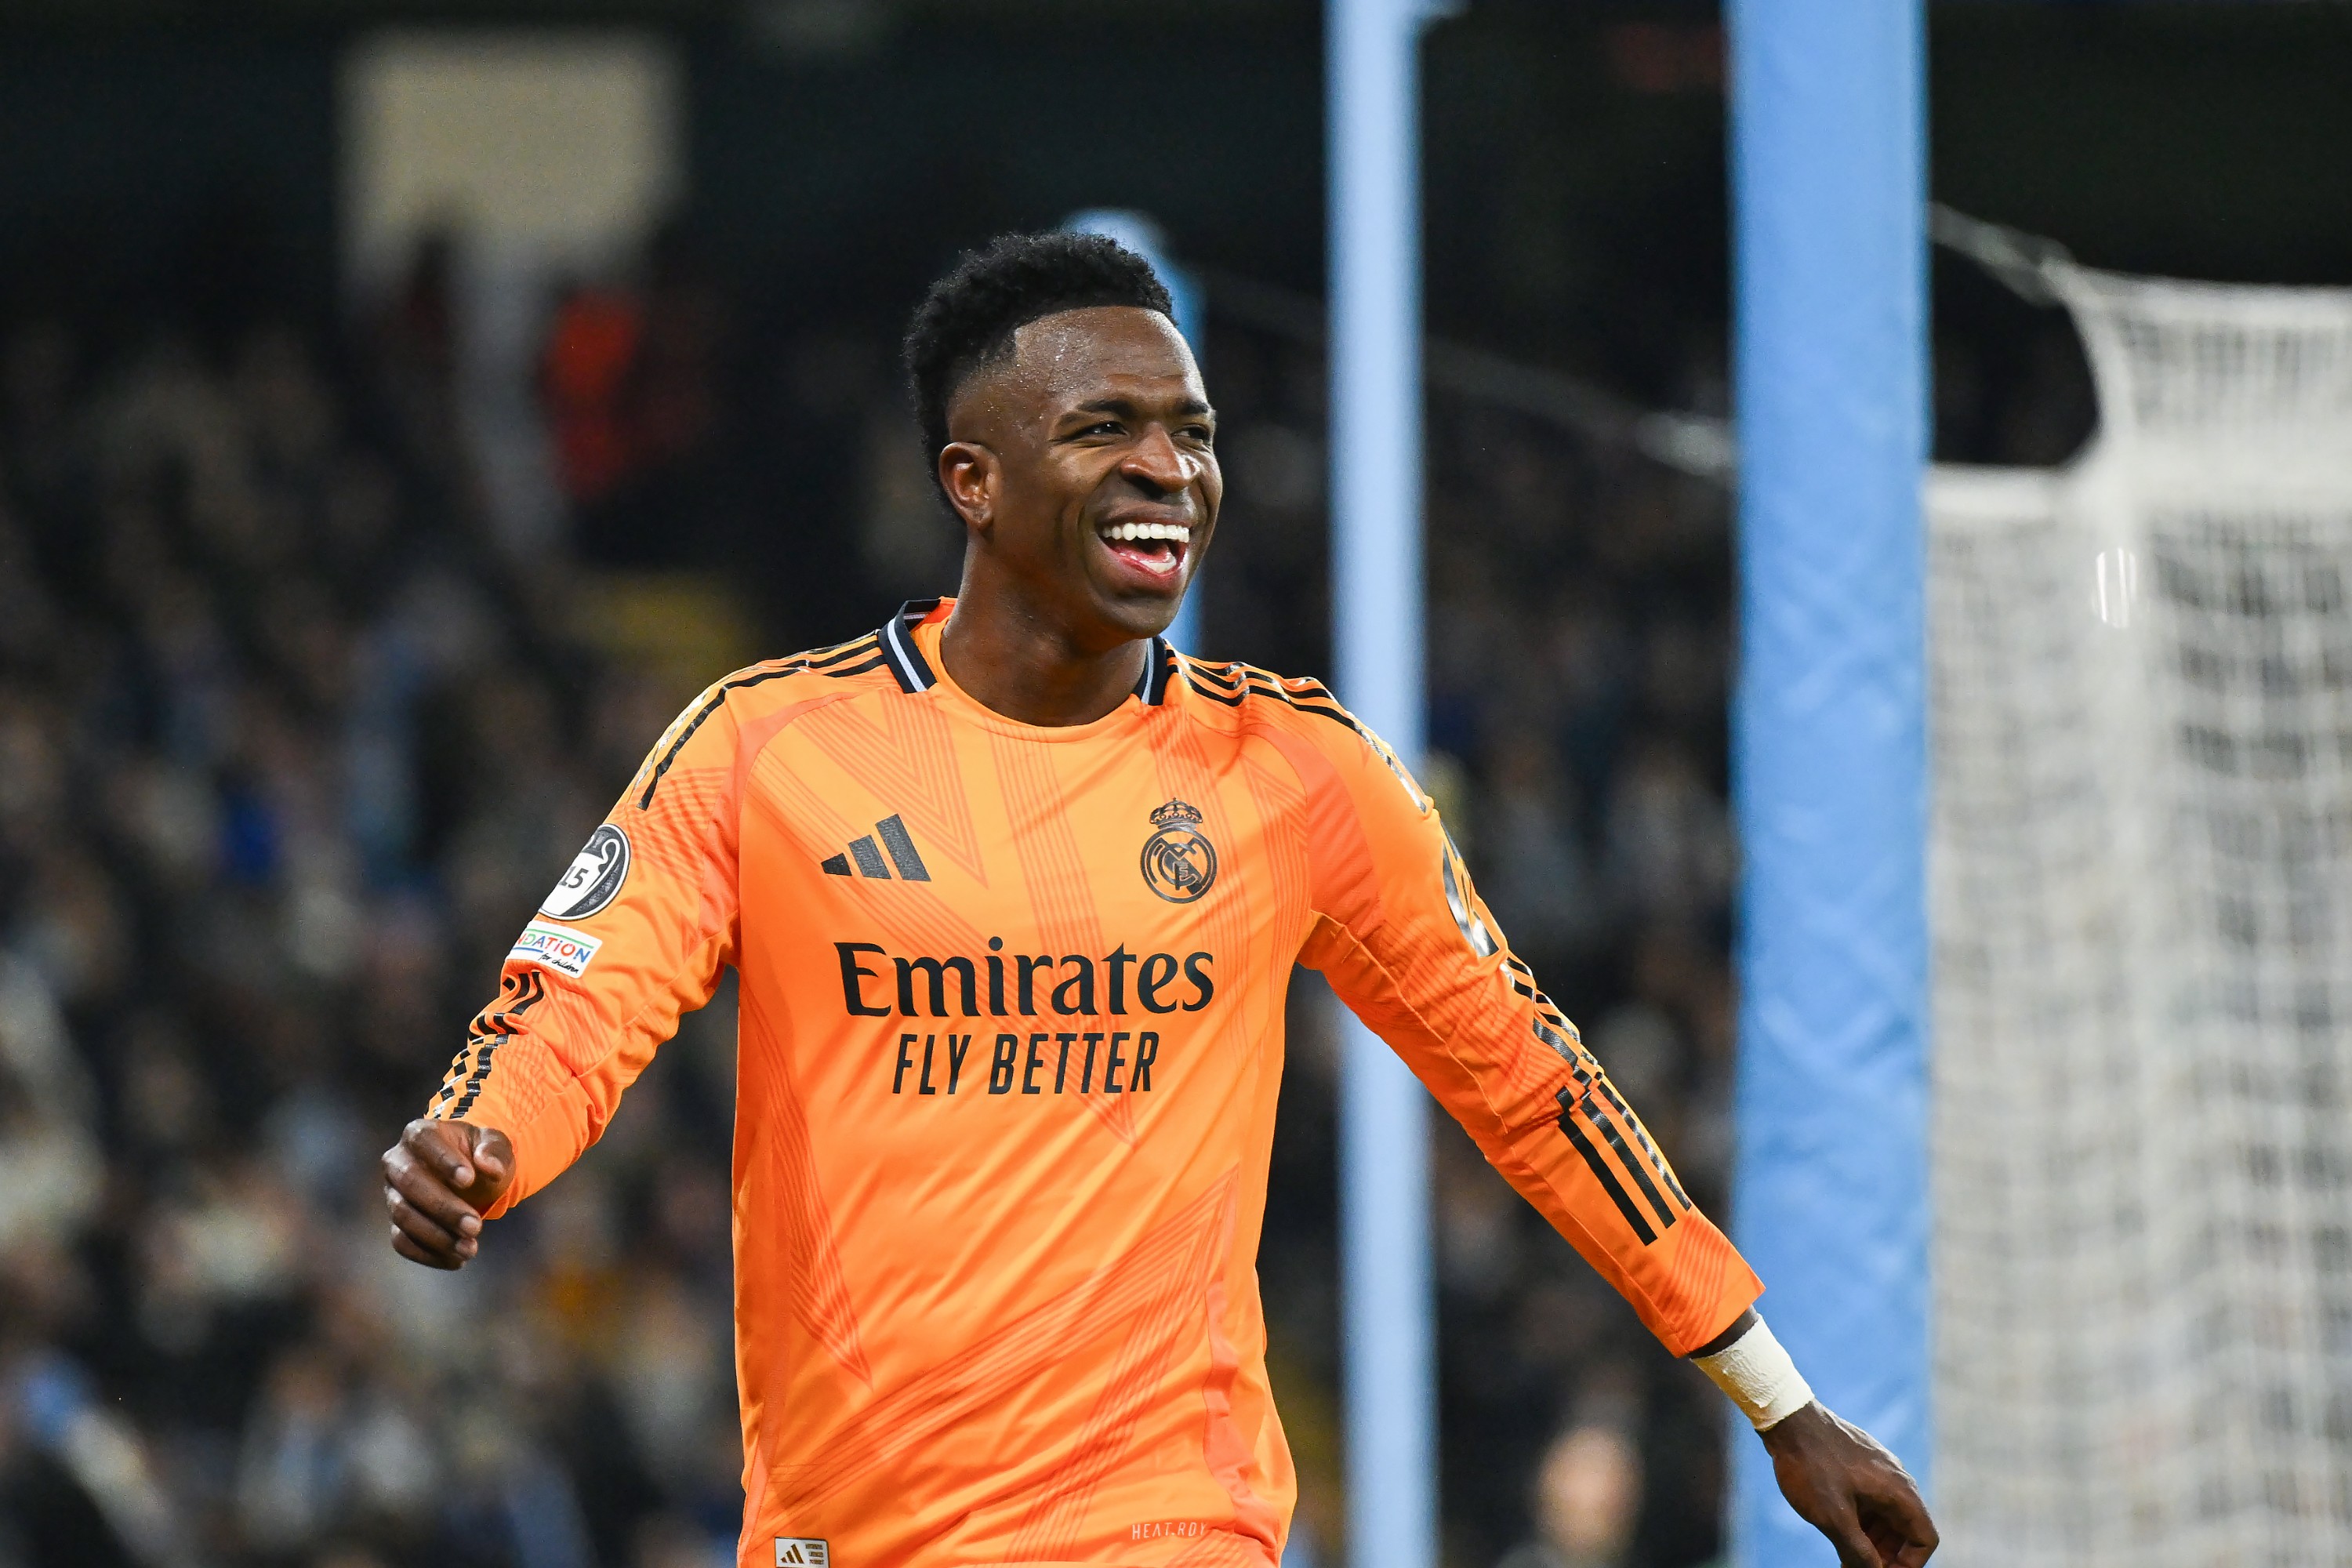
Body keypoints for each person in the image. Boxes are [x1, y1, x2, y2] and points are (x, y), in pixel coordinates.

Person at [380, 233, 1935, 1568]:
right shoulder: (768, 746)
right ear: (970, 483)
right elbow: (580, 997)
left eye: (1190, 430)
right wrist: (485, 1139)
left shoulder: (1296, 769)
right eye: (1105, 425)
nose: (1167, 468)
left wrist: (1777, 1400)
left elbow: (1533, 1080)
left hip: (1175, 1520)